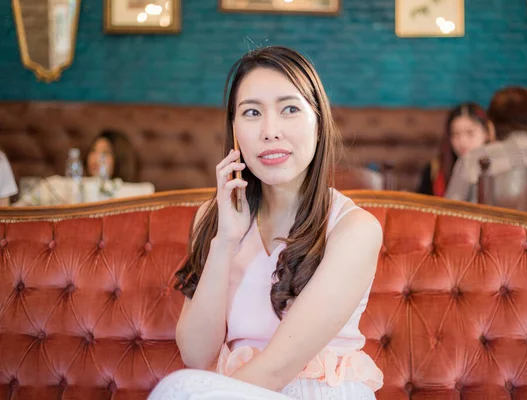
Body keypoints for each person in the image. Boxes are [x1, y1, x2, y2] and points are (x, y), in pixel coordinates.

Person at [149, 46, 384, 399]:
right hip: (231, 391)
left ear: (318, 122)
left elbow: (278, 368)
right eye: (252, 112)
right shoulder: (213, 218)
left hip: (315, 393)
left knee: (177, 389)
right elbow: (197, 355)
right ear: (234, 130)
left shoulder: (354, 229)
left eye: (289, 109)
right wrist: (225, 239)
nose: (270, 131)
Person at [417, 102, 489, 196]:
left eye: (470, 133)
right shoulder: (435, 169)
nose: (462, 142)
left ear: (486, 133)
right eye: (455, 134)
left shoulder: (497, 167)